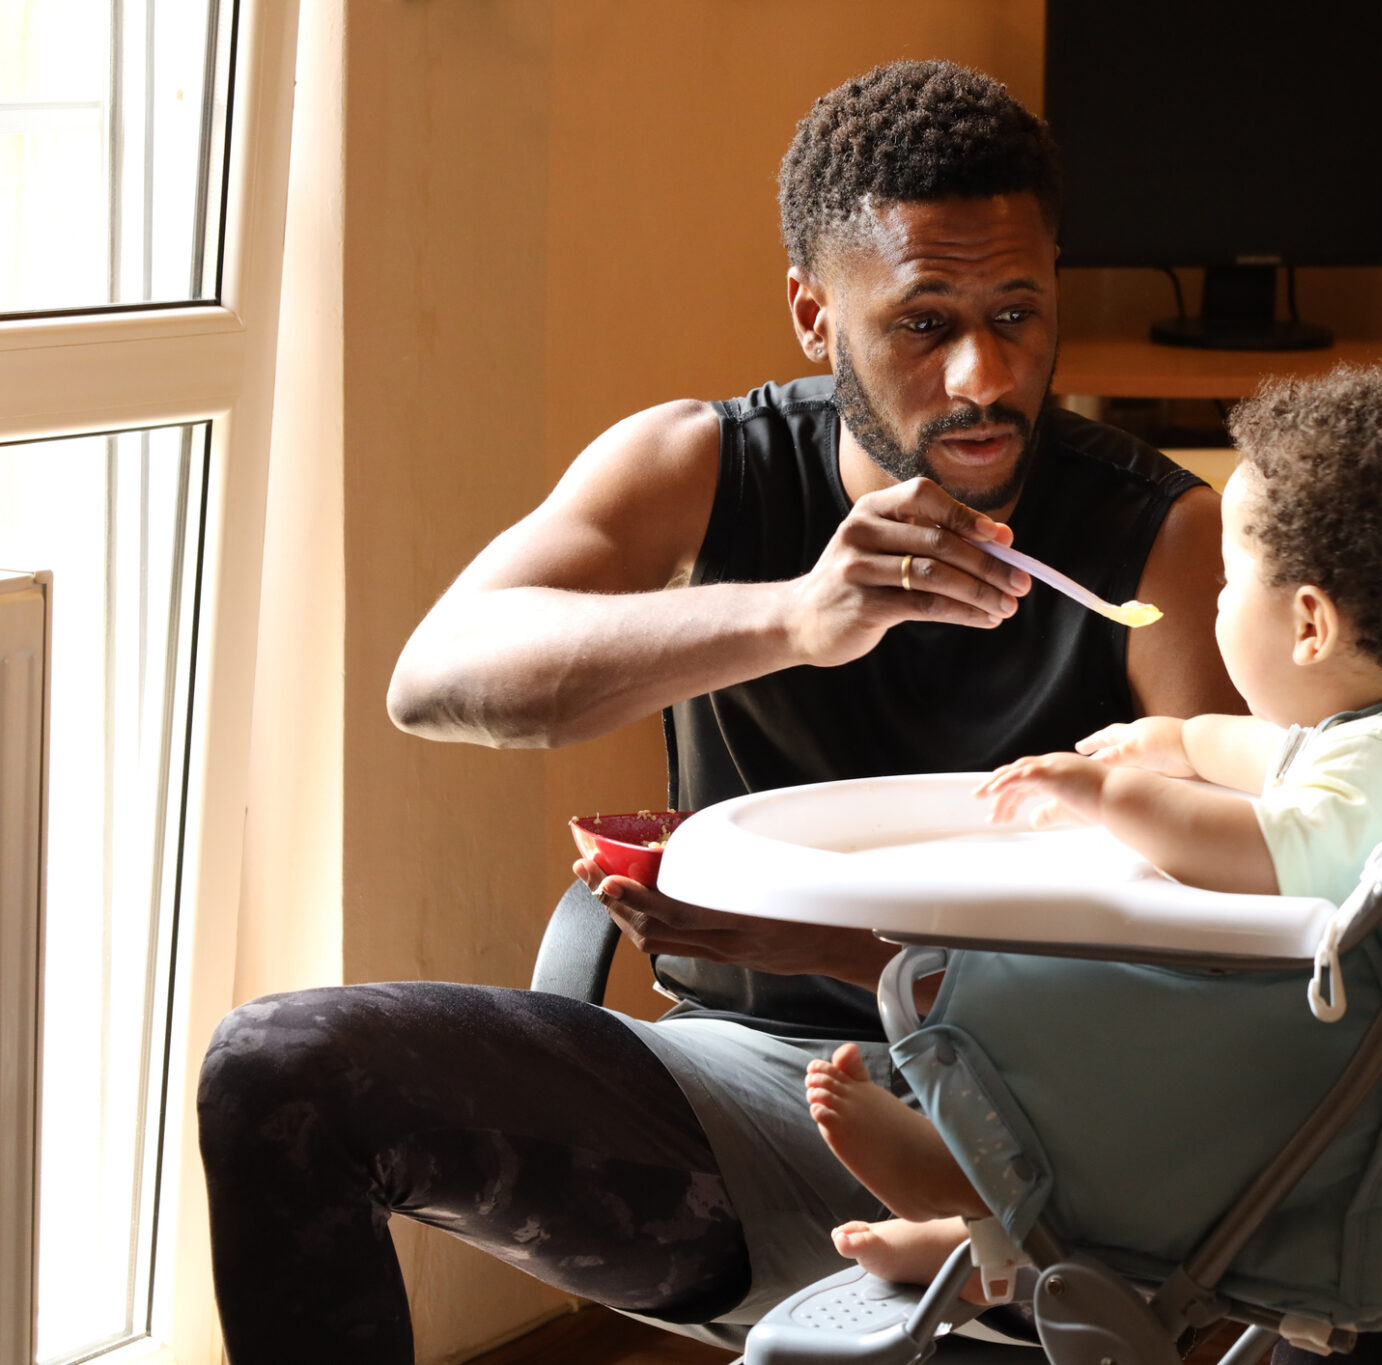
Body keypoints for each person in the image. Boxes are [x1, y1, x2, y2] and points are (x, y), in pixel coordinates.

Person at [194, 60, 1236, 1364]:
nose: (985, 372)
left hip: (1039, 1151)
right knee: (276, 1067)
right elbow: (440, 676)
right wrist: (795, 615)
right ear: (815, 312)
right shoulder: (703, 465)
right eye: (925, 322)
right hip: (740, 1098)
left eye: (1018, 312)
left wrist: (850, 951)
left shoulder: (1157, 539)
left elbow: (1221, 966)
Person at [797, 363, 1382, 1305]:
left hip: (1293, 1116)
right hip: (1359, 1095)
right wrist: (1180, 741)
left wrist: (1109, 795)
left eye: (1230, 581)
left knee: (1071, 985)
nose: (1215, 602)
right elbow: (1281, 760)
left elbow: (1265, 849)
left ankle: (974, 1167)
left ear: (1309, 624)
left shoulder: (1372, 771)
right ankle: (982, 1243)